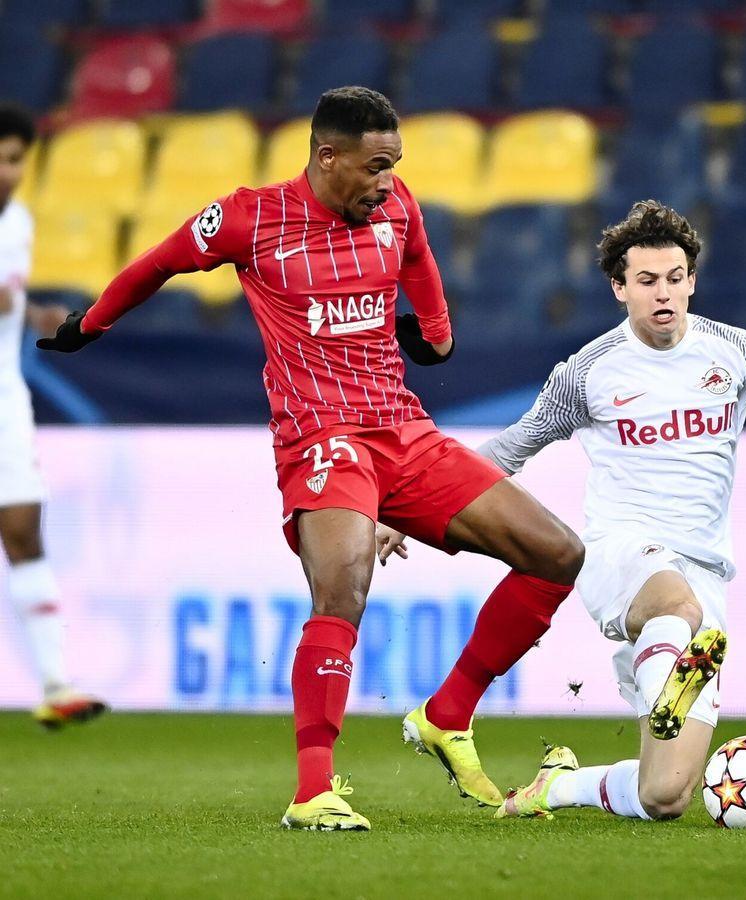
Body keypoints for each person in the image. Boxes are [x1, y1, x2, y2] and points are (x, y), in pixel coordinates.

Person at [37, 87, 583, 831]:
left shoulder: (396, 206)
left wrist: (437, 329)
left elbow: (417, 253)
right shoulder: (248, 217)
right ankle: (312, 790)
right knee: (344, 586)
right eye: (375, 167)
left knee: (557, 553)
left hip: (404, 432)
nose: (388, 182)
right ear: (328, 158)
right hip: (321, 437)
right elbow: (158, 262)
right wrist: (89, 325)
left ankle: (446, 714)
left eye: (395, 166)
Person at [399, 199, 746, 821]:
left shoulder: (734, 352)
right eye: (646, 282)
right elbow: (511, 447)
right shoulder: (590, 372)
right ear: (620, 288)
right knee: (678, 608)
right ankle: (671, 668)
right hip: (621, 551)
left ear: (692, 281)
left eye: (674, 279)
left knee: (664, 794)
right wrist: (407, 507)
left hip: (706, 572)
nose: (663, 294)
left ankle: (560, 784)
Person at [0, 104, 107, 729]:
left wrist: (32, 312)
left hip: (5, 397)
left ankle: (55, 684)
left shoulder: (17, 220)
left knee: (22, 527)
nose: (6, 172)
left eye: (15, 160)